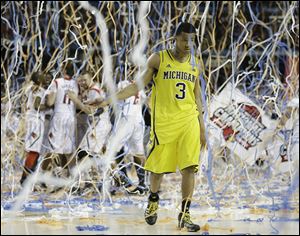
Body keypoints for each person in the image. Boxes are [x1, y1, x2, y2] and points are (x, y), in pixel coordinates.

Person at [90, 22, 206, 232]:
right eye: (184, 39)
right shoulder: (159, 59)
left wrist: (202, 127)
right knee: (158, 169)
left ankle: (185, 214)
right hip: (164, 123)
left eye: (192, 39)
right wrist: (107, 100)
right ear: (175, 38)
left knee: (190, 169)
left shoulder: (196, 64)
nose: (188, 44)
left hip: (189, 120)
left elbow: (197, 96)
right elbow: (136, 86)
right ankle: (153, 199)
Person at [20, 72, 48, 185]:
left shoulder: (29, 88)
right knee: (34, 151)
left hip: (30, 119)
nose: (45, 77)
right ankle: (24, 178)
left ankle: (28, 176)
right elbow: (37, 106)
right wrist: (49, 105)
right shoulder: (40, 90)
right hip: (36, 121)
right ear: (39, 79)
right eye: (43, 76)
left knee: (34, 150)